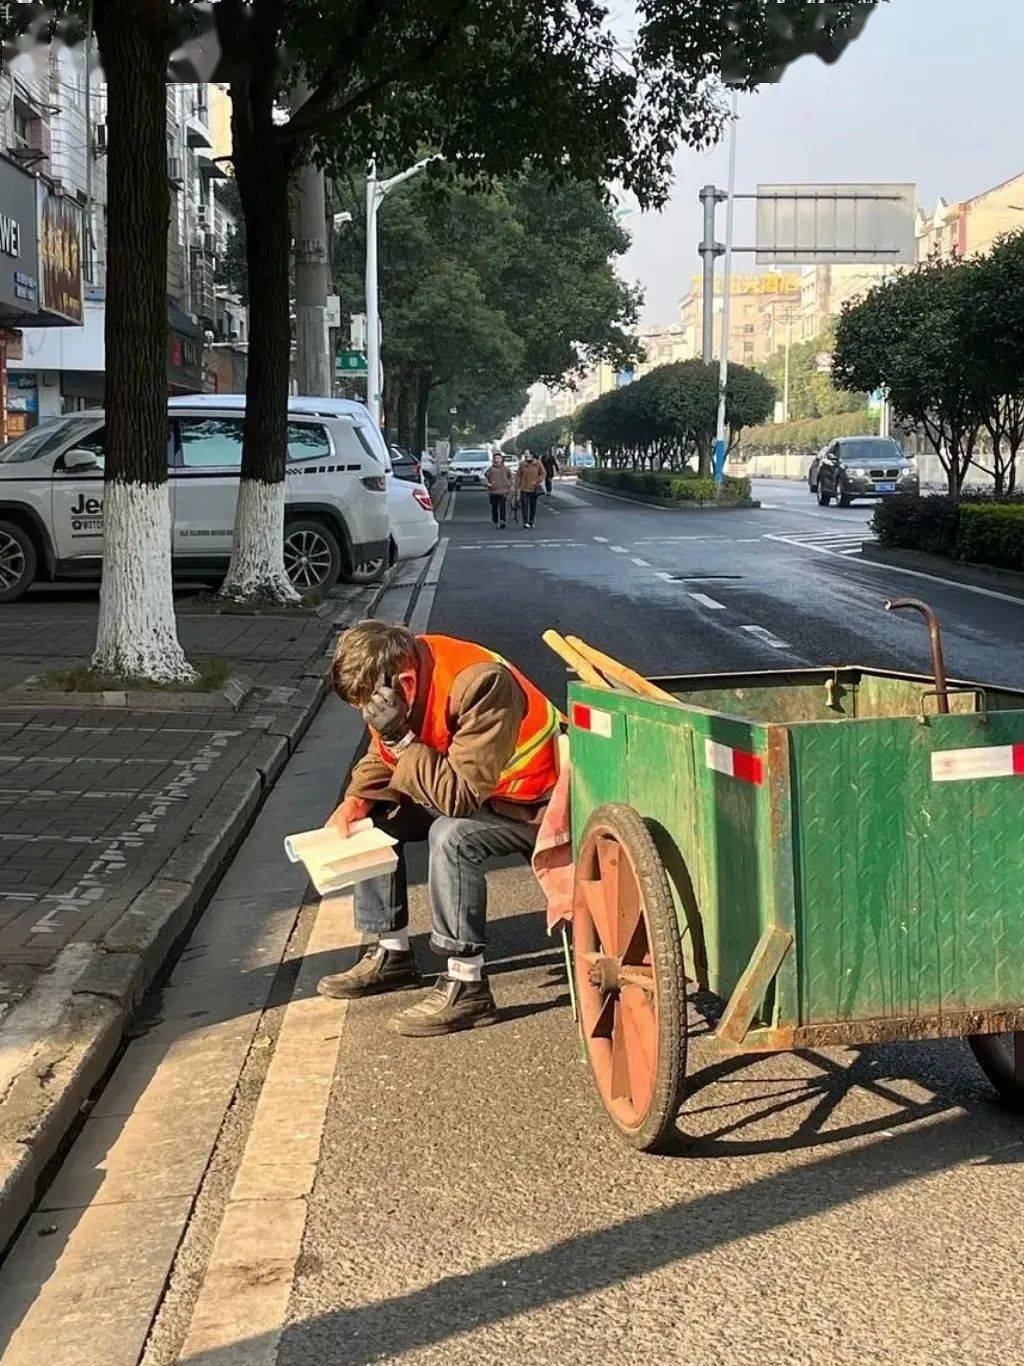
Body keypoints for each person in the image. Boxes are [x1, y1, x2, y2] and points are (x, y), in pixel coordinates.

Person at [317, 621, 561, 1036]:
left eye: (369, 707)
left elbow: (458, 799)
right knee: (375, 818)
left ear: (406, 683)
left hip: (530, 806)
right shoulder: (393, 679)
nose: (370, 717)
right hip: (462, 786)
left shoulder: (483, 684)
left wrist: (400, 738)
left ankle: (468, 984)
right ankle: (391, 953)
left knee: (451, 835)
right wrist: (356, 800)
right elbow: (384, 755)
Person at [515, 451, 544, 529]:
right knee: (524, 505)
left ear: (532, 455)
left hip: (534, 488)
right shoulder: (522, 464)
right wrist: (516, 487)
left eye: (528, 453)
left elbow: (543, 473)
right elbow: (518, 475)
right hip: (524, 488)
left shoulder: (538, 463)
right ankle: (525, 522)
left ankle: (531, 521)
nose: (527, 455)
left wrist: (538, 480)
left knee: (533, 506)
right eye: (525, 453)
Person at [483, 449, 511, 528]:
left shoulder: (506, 468)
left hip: (503, 491)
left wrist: (509, 483)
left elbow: (510, 476)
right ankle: (495, 521)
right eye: (496, 458)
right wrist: (488, 484)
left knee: (502, 506)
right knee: (494, 507)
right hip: (493, 491)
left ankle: (502, 521)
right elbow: (485, 477)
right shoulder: (491, 469)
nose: (497, 460)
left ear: (502, 459)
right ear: (494, 460)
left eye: (499, 458)